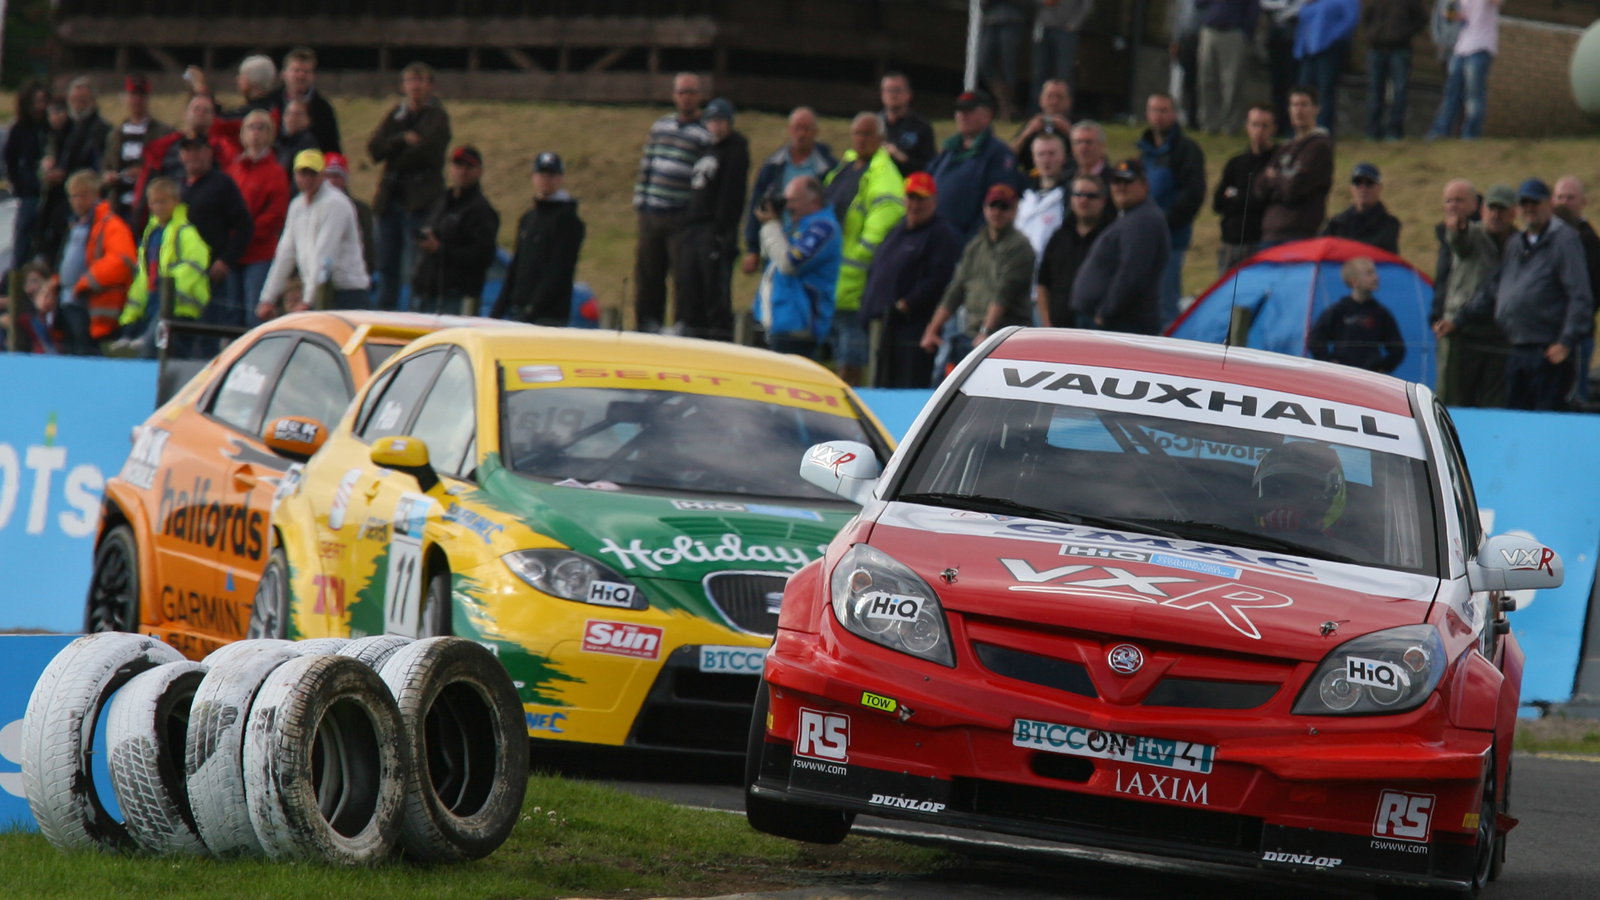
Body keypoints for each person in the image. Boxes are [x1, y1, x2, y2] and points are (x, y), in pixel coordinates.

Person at [1444, 178, 1593, 411]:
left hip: (1549, 350)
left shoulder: (1564, 240)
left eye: (1535, 203)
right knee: (1516, 415)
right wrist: (1458, 319)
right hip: (1516, 347)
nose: (1529, 208)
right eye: (1524, 203)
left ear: (1548, 204)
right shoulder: (1516, 243)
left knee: (1547, 418)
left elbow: (1579, 295)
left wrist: (1565, 342)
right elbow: (1493, 289)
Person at [823, 113, 905, 385]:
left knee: (851, 355)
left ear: (881, 138)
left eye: (867, 133)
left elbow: (882, 224)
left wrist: (859, 256)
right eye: (857, 133)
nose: (860, 139)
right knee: (834, 352)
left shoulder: (884, 175)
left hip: (856, 281)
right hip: (833, 276)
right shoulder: (846, 166)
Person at [919, 183, 1035, 374]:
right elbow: (956, 289)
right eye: (993, 205)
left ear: (1014, 210)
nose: (997, 212)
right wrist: (932, 329)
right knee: (944, 376)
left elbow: (1004, 293)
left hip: (1008, 339)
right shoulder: (976, 245)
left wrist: (985, 333)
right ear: (984, 208)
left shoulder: (1019, 247)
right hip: (972, 335)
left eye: (1004, 207)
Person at [860, 172, 962, 388]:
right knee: (879, 384)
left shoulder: (942, 234)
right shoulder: (898, 230)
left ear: (934, 201)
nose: (915, 205)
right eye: (911, 197)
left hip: (912, 330)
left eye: (921, 199)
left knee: (907, 385)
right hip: (883, 326)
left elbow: (939, 279)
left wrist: (905, 305)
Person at [367, 62, 451, 311]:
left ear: (430, 85)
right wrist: (401, 139)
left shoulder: (437, 116)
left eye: (419, 81)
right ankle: (384, 315)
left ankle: (414, 315)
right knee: (386, 266)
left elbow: (428, 152)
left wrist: (393, 154)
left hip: (420, 201)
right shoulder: (397, 114)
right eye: (410, 81)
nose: (414, 87)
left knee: (416, 267)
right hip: (390, 199)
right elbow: (374, 149)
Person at [633, 72, 711, 332]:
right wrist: (641, 203)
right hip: (652, 211)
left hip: (681, 214)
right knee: (648, 272)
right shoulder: (661, 126)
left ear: (699, 96)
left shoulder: (704, 133)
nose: (686, 97)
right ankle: (646, 324)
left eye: (691, 92)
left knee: (683, 275)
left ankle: (682, 325)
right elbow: (647, 165)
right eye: (681, 92)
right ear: (674, 96)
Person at [259, 150, 371, 316]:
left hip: (346, 291)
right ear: (295, 175)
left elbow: (325, 254)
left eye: (312, 174)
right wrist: (268, 298)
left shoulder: (336, 204)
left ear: (322, 175)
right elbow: (285, 253)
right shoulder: (297, 206)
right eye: (302, 173)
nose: (307, 179)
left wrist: (308, 301)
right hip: (318, 290)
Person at [1431, 181, 1513, 407]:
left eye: (1502, 209)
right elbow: (1460, 242)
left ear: (1513, 212)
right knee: (1453, 401)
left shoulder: (1516, 242)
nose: (1496, 215)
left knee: (1494, 403)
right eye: (1492, 208)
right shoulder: (1473, 233)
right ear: (1483, 210)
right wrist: (1456, 230)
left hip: (1499, 333)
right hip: (1461, 330)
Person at [673, 98, 748, 340]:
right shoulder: (705, 149)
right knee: (688, 287)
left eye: (720, 121)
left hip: (713, 230)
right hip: (692, 228)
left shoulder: (735, 151)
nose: (716, 126)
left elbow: (732, 195)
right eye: (712, 121)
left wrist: (721, 231)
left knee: (713, 292)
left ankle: (716, 339)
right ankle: (688, 334)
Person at [1071, 158, 1172, 334]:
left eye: (1127, 181)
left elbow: (1132, 273)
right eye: (1116, 182)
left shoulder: (1144, 220)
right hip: (1113, 323)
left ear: (1144, 185)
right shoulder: (1131, 216)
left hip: (1122, 325)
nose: (1120, 187)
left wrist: (1105, 312)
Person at [116, 177, 211, 359]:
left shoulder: (186, 232)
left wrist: (170, 288)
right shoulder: (150, 234)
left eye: (163, 202)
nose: (158, 207)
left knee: (157, 355)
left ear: (176, 202)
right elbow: (143, 276)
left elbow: (195, 264)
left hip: (179, 309)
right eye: (154, 202)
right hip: (153, 306)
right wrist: (131, 314)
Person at [45, 170, 135, 354]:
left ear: (95, 194)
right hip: (66, 303)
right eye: (73, 196)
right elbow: (65, 260)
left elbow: (122, 262)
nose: (77, 201)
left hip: (89, 306)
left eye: (83, 195)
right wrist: (56, 282)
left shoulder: (111, 224)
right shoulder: (75, 224)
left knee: (86, 353)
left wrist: (87, 281)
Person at [492, 152, 586, 326]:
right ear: (534, 177)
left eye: (551, 175)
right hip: (519, 310)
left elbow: (559, 270)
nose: (546, 180)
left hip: (549, 315)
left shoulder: (568, 221)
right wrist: (498, 309)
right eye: (542, 174)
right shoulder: (528, 218)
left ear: (560, 178)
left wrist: (532, 308)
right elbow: (517, 265)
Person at [1137, 93, 1206, 327]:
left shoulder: (1187, 150)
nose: (1158, 116)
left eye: (1164, 110)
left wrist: (1163, 221)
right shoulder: (1144, 151)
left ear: (1174, 114)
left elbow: (1193, 195)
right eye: (1154, 110)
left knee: (1166, 303)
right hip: (1142, 238)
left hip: (1171, 240)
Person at [743, 107, 836, 278]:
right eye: (797, 128)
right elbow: (757, 203)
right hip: (777, 238)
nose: (801, 134)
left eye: (806, 129)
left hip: (811, 243)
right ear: (789, 130)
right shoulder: (773, 166)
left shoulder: (827, 168)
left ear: (815, 132)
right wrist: (752, 248)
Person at [753, 174, 840, 357]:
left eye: (792, 201)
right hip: (778, 322)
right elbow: (768, 254)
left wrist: (771, 225)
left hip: (798, 326)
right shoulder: (798, 226)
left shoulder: (823, 228)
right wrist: (773, 224)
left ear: (814, 201)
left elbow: (788, 264)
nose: (788, 206)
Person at [410, 145, 499, 316]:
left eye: (468, 167)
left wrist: (439, 249)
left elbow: (483, 256)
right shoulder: (442, 201)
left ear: (479, 171)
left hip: (456, 296)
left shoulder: (481, 210)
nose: (462, 172)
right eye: (458, 165)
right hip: (426, 291)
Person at [178, 133, 253, 327]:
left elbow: (244, 226)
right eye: (187, 150)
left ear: (208, 153)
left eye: (197, 150)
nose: (192, 155)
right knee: (180, 328)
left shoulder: (222, 184)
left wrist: (226, 261)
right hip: (181, 274)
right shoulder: (177, 185)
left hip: (211, 273)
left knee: (208, 329)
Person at [927, 89, 1020, 240]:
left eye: (969, 111)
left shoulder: (998, 154)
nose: (962, 115)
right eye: (959, 111)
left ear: (988, 115)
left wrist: (971, 244)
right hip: (932, 237)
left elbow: (997, 204)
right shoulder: (948, 150)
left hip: (962, 241)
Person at [225, 110, 289, 324]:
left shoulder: (276, 172)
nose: (255, 132)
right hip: (233, 253)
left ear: (270, 134)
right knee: (231, 314)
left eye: (261, 127)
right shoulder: (234, 168)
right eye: (251, 127)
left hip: (260, 254)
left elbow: (275, 215)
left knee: (255, 314)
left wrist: (245, 233)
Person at [1254, 85, 1333, 247]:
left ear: (1316, 109)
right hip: (1271, 234)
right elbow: (1259, 189)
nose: (1298, 110)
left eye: (1304, 104)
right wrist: (1283, 180)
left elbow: (1294, 188)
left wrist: (1275, 178)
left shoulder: (1320, 147)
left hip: (1300, 234)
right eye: (1294, 105)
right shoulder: (1285, 147)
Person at [1307, 256, 1406, 372]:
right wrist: (1328, 362)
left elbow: (1398, 348)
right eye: (1369, 273)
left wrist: (1383, 367)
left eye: (1375, 272)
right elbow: (1315, 340)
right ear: (1353, 281)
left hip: (1370, 374)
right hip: (1342, 373)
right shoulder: (1338, 310)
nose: (1376, 277)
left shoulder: (1381, 313)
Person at [1037, 173, 1111, 327]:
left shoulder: (1111, 238)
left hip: (1097, 329)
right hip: (1057, 328)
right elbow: (1042, 283)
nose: (1084, 200)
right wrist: (1046, 323)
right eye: (1078, 194)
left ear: (1103, 201)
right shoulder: (1058, 236)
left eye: (1091, 196)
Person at [1252, 441, 1353, 552]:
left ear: (1328, 501)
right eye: (1274, 490)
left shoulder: (1350, 555)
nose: (1284, 499)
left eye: (1298, 491)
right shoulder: (1240, 533)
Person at [1213, 104, 1278, 273]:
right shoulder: (1236, 163)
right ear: (1247, 127)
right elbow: (1218, 203)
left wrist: (1236, 196)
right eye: (1255, 125)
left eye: (1264, 126)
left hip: (1262, 241)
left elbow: (1267, 201)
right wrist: (1248, 198)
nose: (1259, 131)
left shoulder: (1277, 161)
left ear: (1273, 129)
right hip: (1232, 242)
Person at [1553, 175, 1600, 405]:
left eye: (1570, 197)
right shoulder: (1547, 237)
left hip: (1577, 338)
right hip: (1547, 337)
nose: (1565, 202)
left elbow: (1591, 295)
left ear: (1583, 202)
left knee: (1573, 400)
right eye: (1560, 197)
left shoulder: (1590, 243)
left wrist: (1572, 326)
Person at [1426, 0, 1501, 140]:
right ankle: (1441, 131)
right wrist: (1451, 14)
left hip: (1480, 47)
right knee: (1451, 92)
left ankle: (1471, 134)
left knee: (1474, 95)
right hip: (1461, 47)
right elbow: (1456, 16)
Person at [102, 75, 170, 224]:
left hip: (148, 209)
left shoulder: (162, 133)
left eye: (142, 95)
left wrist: (145, 174)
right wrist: (109, 177)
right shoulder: (115, 134)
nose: (137, 100)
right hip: (118, 208)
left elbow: (168, 169)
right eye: (133, 95)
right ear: (125, 98)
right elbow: (105, 168)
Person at [1363, 0, 1428, 140]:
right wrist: (1372, 33)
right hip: (1377, 47)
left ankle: (1394, 131)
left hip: (1400, 49)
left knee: (1400, 91)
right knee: (1375, 90)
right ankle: (1373, 131)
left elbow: (1422, 18)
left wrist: (1404, 33)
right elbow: (1367, 16)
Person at [5, 82, 51, 270]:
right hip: (29, 192)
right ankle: (16, 277)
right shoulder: (19, 129)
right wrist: (19, 185)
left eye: (43, 101)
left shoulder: (50, 128)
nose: (40, 106)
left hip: (50, 193)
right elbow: (10, 160)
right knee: (23, 238)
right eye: (35, 102)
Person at [1295, 0, 1359, 135]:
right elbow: (1303, 20)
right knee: (1304, 91)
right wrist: (1301, 47)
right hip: (1308, 52)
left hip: (1330, 51)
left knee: (1325, 91)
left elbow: (1350, 20)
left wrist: (1330, 38)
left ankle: (1322, 130)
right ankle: (1303, 129)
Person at [1196, 0, 1259, 135]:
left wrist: (1247, 35)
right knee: (1206, 80)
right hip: (1210, 30)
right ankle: (1209, 123)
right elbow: (1199, 3)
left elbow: (1253, 10)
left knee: (1232, 82)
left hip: (1233, 32)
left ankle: (1230, 126)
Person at [271, 47, 341, 154]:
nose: (301, 76)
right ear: (284, 74)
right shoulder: (271, 103)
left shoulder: (323, 109)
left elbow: (332, 147)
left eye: (306, 72)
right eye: (296, 70)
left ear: (313, 76)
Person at [1017, 131, 1070, 273]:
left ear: (1063, 157)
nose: (1046, 160)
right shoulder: (1024, 197)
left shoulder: (1069, 197)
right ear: (1034, 159)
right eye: (1040, 154)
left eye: (1052, 154)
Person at [1322, 162, 1401, 254]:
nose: (1363, 188)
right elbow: (1319, 248)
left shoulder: (1389, 225)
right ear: (1351, 188)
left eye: (1369, 183)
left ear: (1379, 188)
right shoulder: (1337, 223)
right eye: (1357, 182)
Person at [322, 152, 375, 283]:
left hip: (351, 278)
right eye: (328, 176)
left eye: (337, 176)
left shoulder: (361, 211)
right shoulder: (309, 209)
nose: (332, 181)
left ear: (345, 179)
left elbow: (367, 247)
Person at [1260, 1, 1305, 138]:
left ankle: (1291, 126)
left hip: (1294, 36)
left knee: (1291, 84)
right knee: (1277, 85)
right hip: (1275, 37)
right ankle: (1277, 125)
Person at [979, 0, 1030, 121]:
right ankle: (1003, 102)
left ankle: (1007, 107)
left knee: (1009, 65)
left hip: (1013, 20)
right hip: (991, 21)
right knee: (984, 63)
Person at [879, 72, 936, 176]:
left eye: (897, 90)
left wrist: (901, 157)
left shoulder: (922, 127)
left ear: (908, 94)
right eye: (888, 90)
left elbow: (930, 167)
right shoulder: (873, 124)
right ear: (882, 94)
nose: (893, 95)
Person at [1010, 79, 1072, 175]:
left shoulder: (1077, 126)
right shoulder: (1031, 124)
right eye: (1049, 96)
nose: (1054, 101)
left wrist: (1070, 133)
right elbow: (1008, 156)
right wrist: (1026, 134)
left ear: (1068, 101)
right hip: (1033, 177)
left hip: (1068, 177)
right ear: (1041, 100)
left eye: (1059, 97)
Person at [1033, 1, 1096, 94]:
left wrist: (1074, 24)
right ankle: (1037, 102)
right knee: (1039, 73)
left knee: (1064, 74)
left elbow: (1087, 6)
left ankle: (1063, 102)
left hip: (1066, 31)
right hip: (1042, 28)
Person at [274, 99, 321, 186]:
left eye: (298, 114)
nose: (292, 118)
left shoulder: (308, 145)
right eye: (288, 113)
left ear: (308, 120)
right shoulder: (278, 143)